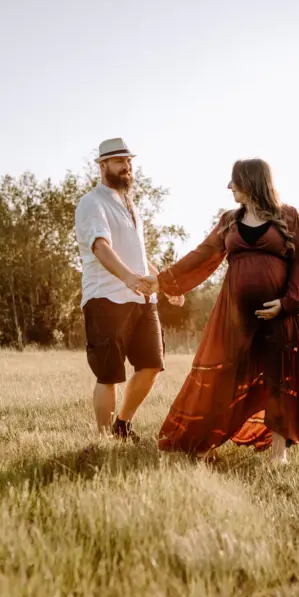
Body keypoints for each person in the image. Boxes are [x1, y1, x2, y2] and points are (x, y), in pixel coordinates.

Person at [145, 158, 299, 464]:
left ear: (251, 181)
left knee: (279, 378)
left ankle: (278, 454)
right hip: (235, 317)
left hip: (278, 315)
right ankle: (203, 444)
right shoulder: (229, 221)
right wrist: (162, 281)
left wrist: (286, 304)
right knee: (224, 379)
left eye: (234, 180)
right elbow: (202, 255)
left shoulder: (288, 216)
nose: (229, 187)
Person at [74, 137, 184, 441]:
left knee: (152, 364)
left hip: (142, 300)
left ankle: (121, 424)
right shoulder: (91, 203)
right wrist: (127, 278)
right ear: (103, 165)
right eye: (120, 162)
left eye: (130, 162)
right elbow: (100, 247)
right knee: (108, 375)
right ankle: (103, 440)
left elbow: (140, 257)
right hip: (105, 298)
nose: (127, 167)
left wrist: (164, 283)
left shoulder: (130, 205)